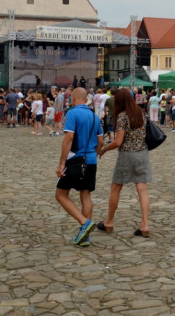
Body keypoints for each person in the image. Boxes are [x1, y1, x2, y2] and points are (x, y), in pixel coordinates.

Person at [98, 88, 152, 237]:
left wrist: (104, 149)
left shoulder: (122, 116)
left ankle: (109, 222)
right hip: (142, 154)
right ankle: (145, 225)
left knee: (116, 188)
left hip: (127, 155)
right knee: (142, 190)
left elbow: (118, 141)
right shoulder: (141, 113)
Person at [55, 87, 103, 247]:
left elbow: (69, 137)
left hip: (76, 159)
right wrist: (94, 153)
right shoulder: (94, 116)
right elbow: (101, 141)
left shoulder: (73, 113)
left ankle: (84, 222)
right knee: (86, 194)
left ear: (74, 98)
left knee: (61, 194)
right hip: (91, 160)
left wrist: (62, 163)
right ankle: (85, 236)